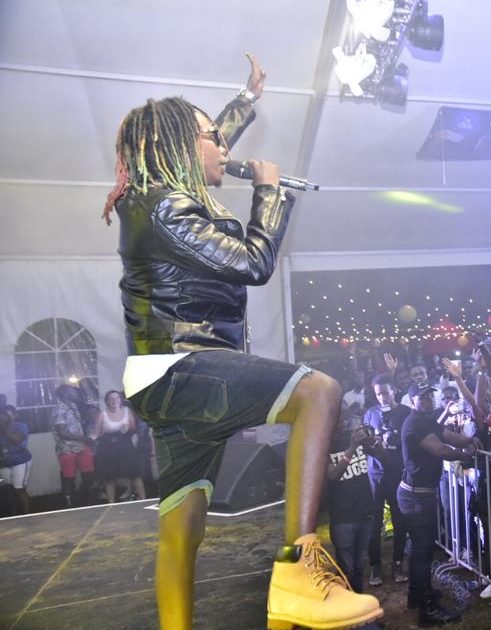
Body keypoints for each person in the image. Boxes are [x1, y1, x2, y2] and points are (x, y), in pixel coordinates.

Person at [103, 54, 381, 629]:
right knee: (319, 392)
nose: (225, 148)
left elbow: (204, 137)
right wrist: (269, 193)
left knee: (182, 528)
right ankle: (298, 569)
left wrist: (245, 101)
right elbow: (254, 262)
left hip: (163, 377)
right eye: (214, 138)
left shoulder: (154, 198)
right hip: (183, 367)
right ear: (181, 147)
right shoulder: (165, 207)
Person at [398, 382, 477, 626]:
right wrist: (467, 454)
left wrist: (470, 440)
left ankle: (417, 595)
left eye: (430, 396)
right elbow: (441, 450)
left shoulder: (427, 420)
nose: (429, 400)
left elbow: (448, 436)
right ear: (412, 400)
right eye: (422, 397)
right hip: (416, 497)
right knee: (423, 552)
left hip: (418, 495)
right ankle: (427, 610)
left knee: (419, 550)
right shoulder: (415, 423)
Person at [363, 373, 409, 585]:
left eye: (385, 393)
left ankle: (397, 563)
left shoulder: (405, 413)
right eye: (378, 394)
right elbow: (364, 443)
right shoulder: (370, 413)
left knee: (400, 520)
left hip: (397, 474)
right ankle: (375, 566)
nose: (382, 397)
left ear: (394, 391)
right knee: (374, 523)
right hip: (375, 475)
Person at [326, 416, 380, 593]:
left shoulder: (354, 439)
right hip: (342, 518)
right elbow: (333, 476)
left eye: (343, 420)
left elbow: (385, 459)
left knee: (359, 565)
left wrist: (372, 442)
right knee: (346, 569)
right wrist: (352, 447)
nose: (342, 424)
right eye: (336, 420)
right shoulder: (323, 447)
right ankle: (345, 603)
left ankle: (357, 600)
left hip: (365, 512)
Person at [92, 390, 146, 502]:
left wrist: (127, 429)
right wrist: (91, 443)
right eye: (111, 399)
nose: (114, 401)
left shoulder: (127, 411)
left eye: (116, 398)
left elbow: (134, 428)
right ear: (107, 401)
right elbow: (96, 434)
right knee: (109, 476)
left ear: (120, 400)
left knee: (135, 473)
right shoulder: (102, 414)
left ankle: (143, 499)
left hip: (125, 445)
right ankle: (111, 504)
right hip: (108, 447)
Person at [52, 384, 96, 507]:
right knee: (69, 478)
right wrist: (83, 438)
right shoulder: (58, 410)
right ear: (65, 394)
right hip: (67, 448)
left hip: (81, 445)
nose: (76, 392)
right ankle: (70, 504)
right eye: (72, 391)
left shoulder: (73, 406)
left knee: (89, 474)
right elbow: (62, 433)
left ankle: (81, 500)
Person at [0, 407, 33, 514]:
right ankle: (13, 513)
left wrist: (4, 428)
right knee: (9, 490)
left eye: (7, 415)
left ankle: (27, 516)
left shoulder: (21, 426)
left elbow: (17, 439)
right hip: (4, 463)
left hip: (20, 461)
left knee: (19, 489)